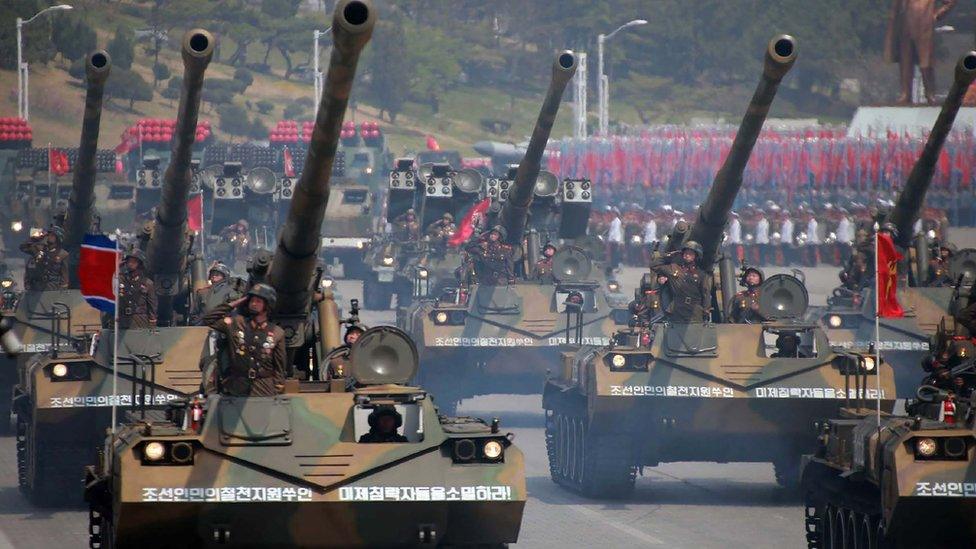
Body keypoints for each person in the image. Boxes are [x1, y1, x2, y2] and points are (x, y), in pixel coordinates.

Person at [202, 283, 286, 397]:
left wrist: (277, 388)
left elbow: (279, 366)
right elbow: (209, 319)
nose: (253, 304)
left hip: (263, 389)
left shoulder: (277, 332)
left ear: (267, 305)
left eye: (258, 301)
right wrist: (237, 302)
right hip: (237, 387)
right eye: (251, 301)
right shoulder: (236, 323)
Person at [884, 0, 956, 104]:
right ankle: (905, 93)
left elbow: (950, 1)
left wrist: (936, 15)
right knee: (905, 61)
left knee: (926, 60)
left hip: (924, 23)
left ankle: (929, 93)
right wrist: (894, 16)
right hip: (904, 23)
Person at [648, 240, 712, 322]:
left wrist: (706, 310)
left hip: (694, 311)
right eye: (685, 253)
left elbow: (705, 293)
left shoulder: (701, 274)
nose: (687, 255)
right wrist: (670, 255)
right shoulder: (674, 268)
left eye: (690, 253)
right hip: (677, 310)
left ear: (695, 256)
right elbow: (654, 265)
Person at [117, 250, 157, 329]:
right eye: (129, 261)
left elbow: (152, 305)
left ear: (140, 265)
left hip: (140, 320)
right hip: (123, 320)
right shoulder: (120, 279)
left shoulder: (147, 283)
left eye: (134, 262)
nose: (130, 264)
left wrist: (152, 322)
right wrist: (117, 267)